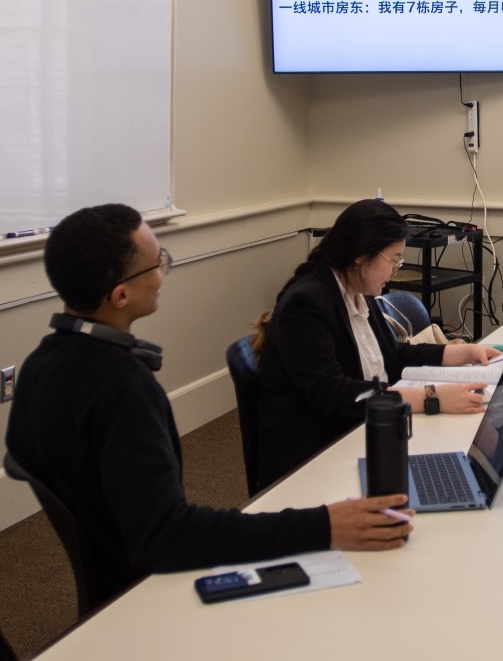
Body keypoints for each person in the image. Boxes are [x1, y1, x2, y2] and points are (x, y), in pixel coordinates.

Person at [4, 205, 413, 605]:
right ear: (120, 294)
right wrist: (325, 526)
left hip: (120, 570)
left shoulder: (41, 364)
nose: (164, 273)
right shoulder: (122, 388)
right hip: (149, 594)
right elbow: (170, 536)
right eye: (156, 264)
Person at [255, 198, 498, 487]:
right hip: (321, 456)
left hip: (367, 428)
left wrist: (459, 353)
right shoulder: (307, 304)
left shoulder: (357, 289)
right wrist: (431, 397)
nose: (396, 270)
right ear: (361, 255)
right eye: (393, 259)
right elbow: (335, 395)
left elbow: (392, 356)